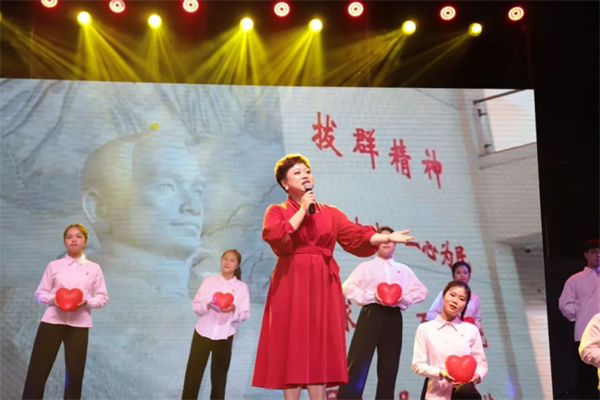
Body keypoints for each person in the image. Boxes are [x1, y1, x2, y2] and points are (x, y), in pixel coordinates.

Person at [252, 154, 415, 400]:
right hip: (291, 282)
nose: (305, 175)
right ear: (285, 183)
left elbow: (356, 236)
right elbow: (276, 235)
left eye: (307, 171)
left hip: (322, 284)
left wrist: (387, 237)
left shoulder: (330, 213)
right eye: (297, 172)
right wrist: (303, 209)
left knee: (318, 346)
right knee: (293, 344)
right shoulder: (277, 211)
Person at [338, 226, 428, 400]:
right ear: (376, 242)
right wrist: (371, 296)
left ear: (395, 244)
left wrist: (402, 298)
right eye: (383, 239)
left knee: (389, 368)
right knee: (358, 364)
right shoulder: (366, 267)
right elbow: (346, 287)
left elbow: (422, 292)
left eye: (391, 239)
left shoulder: (403, 269)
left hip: (393, 317)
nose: (387, 243)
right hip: (371, 314)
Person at [22, 224, 109, 400]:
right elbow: (40, 294)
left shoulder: (94, 268)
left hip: (79, 326)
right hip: (51, 323)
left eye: (78, 236)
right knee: (37, 373)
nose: (74, 240)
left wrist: (87, 301)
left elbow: (102, 297)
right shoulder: (54, 266)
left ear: (85, 241)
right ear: (65, 242)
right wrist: (53, 299)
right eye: (69, 237)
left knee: (74, 378)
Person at [182, 249, 250, 400]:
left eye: (232, 260)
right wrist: (208, 306)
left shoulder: (241, 287)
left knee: (219, 379)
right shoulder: (209, 282)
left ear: (237, 265)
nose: (227, 262)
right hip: (202, 333)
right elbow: (196, 306)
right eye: (225, 259)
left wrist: (233, 309)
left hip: (225, 336)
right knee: (193, 375)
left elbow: (245, 313)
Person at [412, 281, 487, 400]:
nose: (455, 301)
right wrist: (441, 373)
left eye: (461, 299)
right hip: (436, 393)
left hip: (465, 394)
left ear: (465, 305)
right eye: (452, 295)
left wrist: (477, 375)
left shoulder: (471, 330)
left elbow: (481, 363)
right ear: (443, 296)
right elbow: (418, 365)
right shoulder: (425, 328)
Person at [560, 239, 600, 400]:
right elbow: (565, 304)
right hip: (585, 334)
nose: (598, 255)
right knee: (587, 378)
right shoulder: (575, 279)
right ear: (586, 255)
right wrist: (583, 315)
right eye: (593, 252)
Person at [426, 262, 481, 329]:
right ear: (453, 275)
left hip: (467, 332)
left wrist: (474, 328)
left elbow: (477, 319)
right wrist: (446, 322)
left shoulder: (475, 297)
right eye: (458, 272)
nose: (462, 275)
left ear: (469, 276)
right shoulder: (445, 293)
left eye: (465, 273)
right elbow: (431, 314)